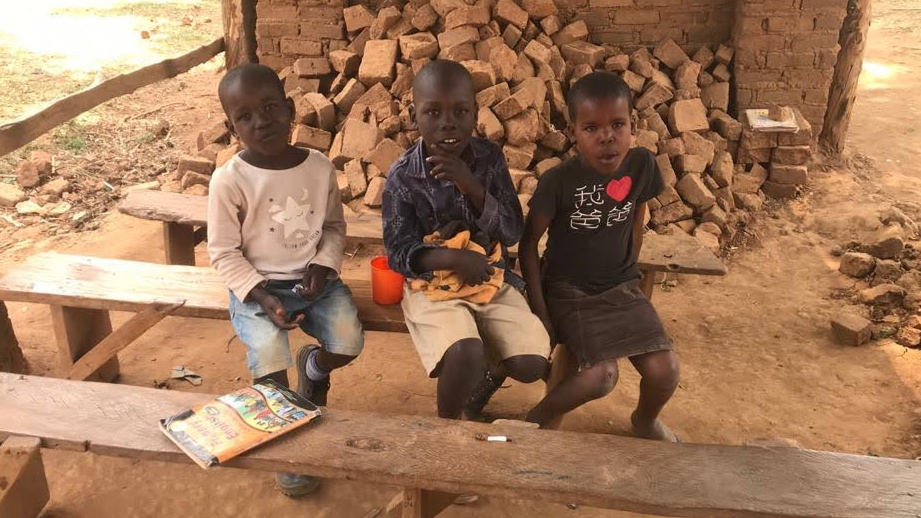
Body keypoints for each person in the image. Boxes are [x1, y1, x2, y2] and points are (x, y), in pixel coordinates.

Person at [207, 64, 365, 495]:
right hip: (256, 287)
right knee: (269, 360)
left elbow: (333, 227)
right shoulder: (229, 181)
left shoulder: (318, 167)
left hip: (314, 282)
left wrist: (324, 266)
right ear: (232, 128)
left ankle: (314, 370)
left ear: (291, 109)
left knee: (348, 342)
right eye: (245, 116)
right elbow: (223, 251)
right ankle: (288, 453)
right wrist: (261, 295)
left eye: (270, 107)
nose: (261, 121)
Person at [382, 59, 550, 421]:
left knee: (531, 363)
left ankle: (480, 384)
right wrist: (451, 258)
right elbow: (397, 253)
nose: (448, 123)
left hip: (490, 279)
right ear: (413, 116)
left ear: (475, 113)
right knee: (465, 352)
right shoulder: (403, 176)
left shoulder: (489, 159)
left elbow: (511, 231)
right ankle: (449, 423)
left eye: (460, 111)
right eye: (433, 112)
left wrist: (471, 186)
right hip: (433, 287)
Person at [520, 71, 680, 441]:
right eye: (591, 128)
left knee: (666, 371)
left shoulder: (641, 165)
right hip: (569, 290)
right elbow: (528, 245)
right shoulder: (558, 182)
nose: (607, 137)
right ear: (573, 131)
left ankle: (644, 421)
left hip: (620, 286)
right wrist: (541, 310)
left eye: (617, 124)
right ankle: (535, 420)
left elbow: (637, 215)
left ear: (632, 125)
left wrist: (630, 272)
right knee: (602, 376)